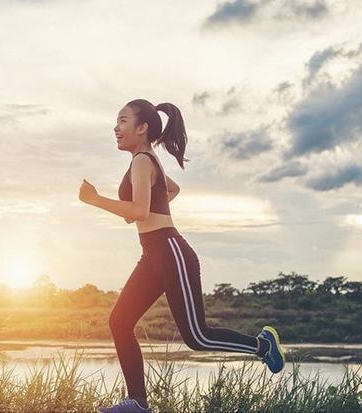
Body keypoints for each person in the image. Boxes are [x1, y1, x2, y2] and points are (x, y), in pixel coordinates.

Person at [78, 99, 285, 413]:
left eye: (122, 121)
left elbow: (138, 209)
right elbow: (169, 191)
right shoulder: (144, 161)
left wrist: (95, 200)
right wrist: (143, 210)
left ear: (142, 127)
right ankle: (137, 404)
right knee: (120, 321)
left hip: (171, 252)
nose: (116, 128)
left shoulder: (143, 160)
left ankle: (263, 345)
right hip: (153, 255)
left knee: (198, 337)